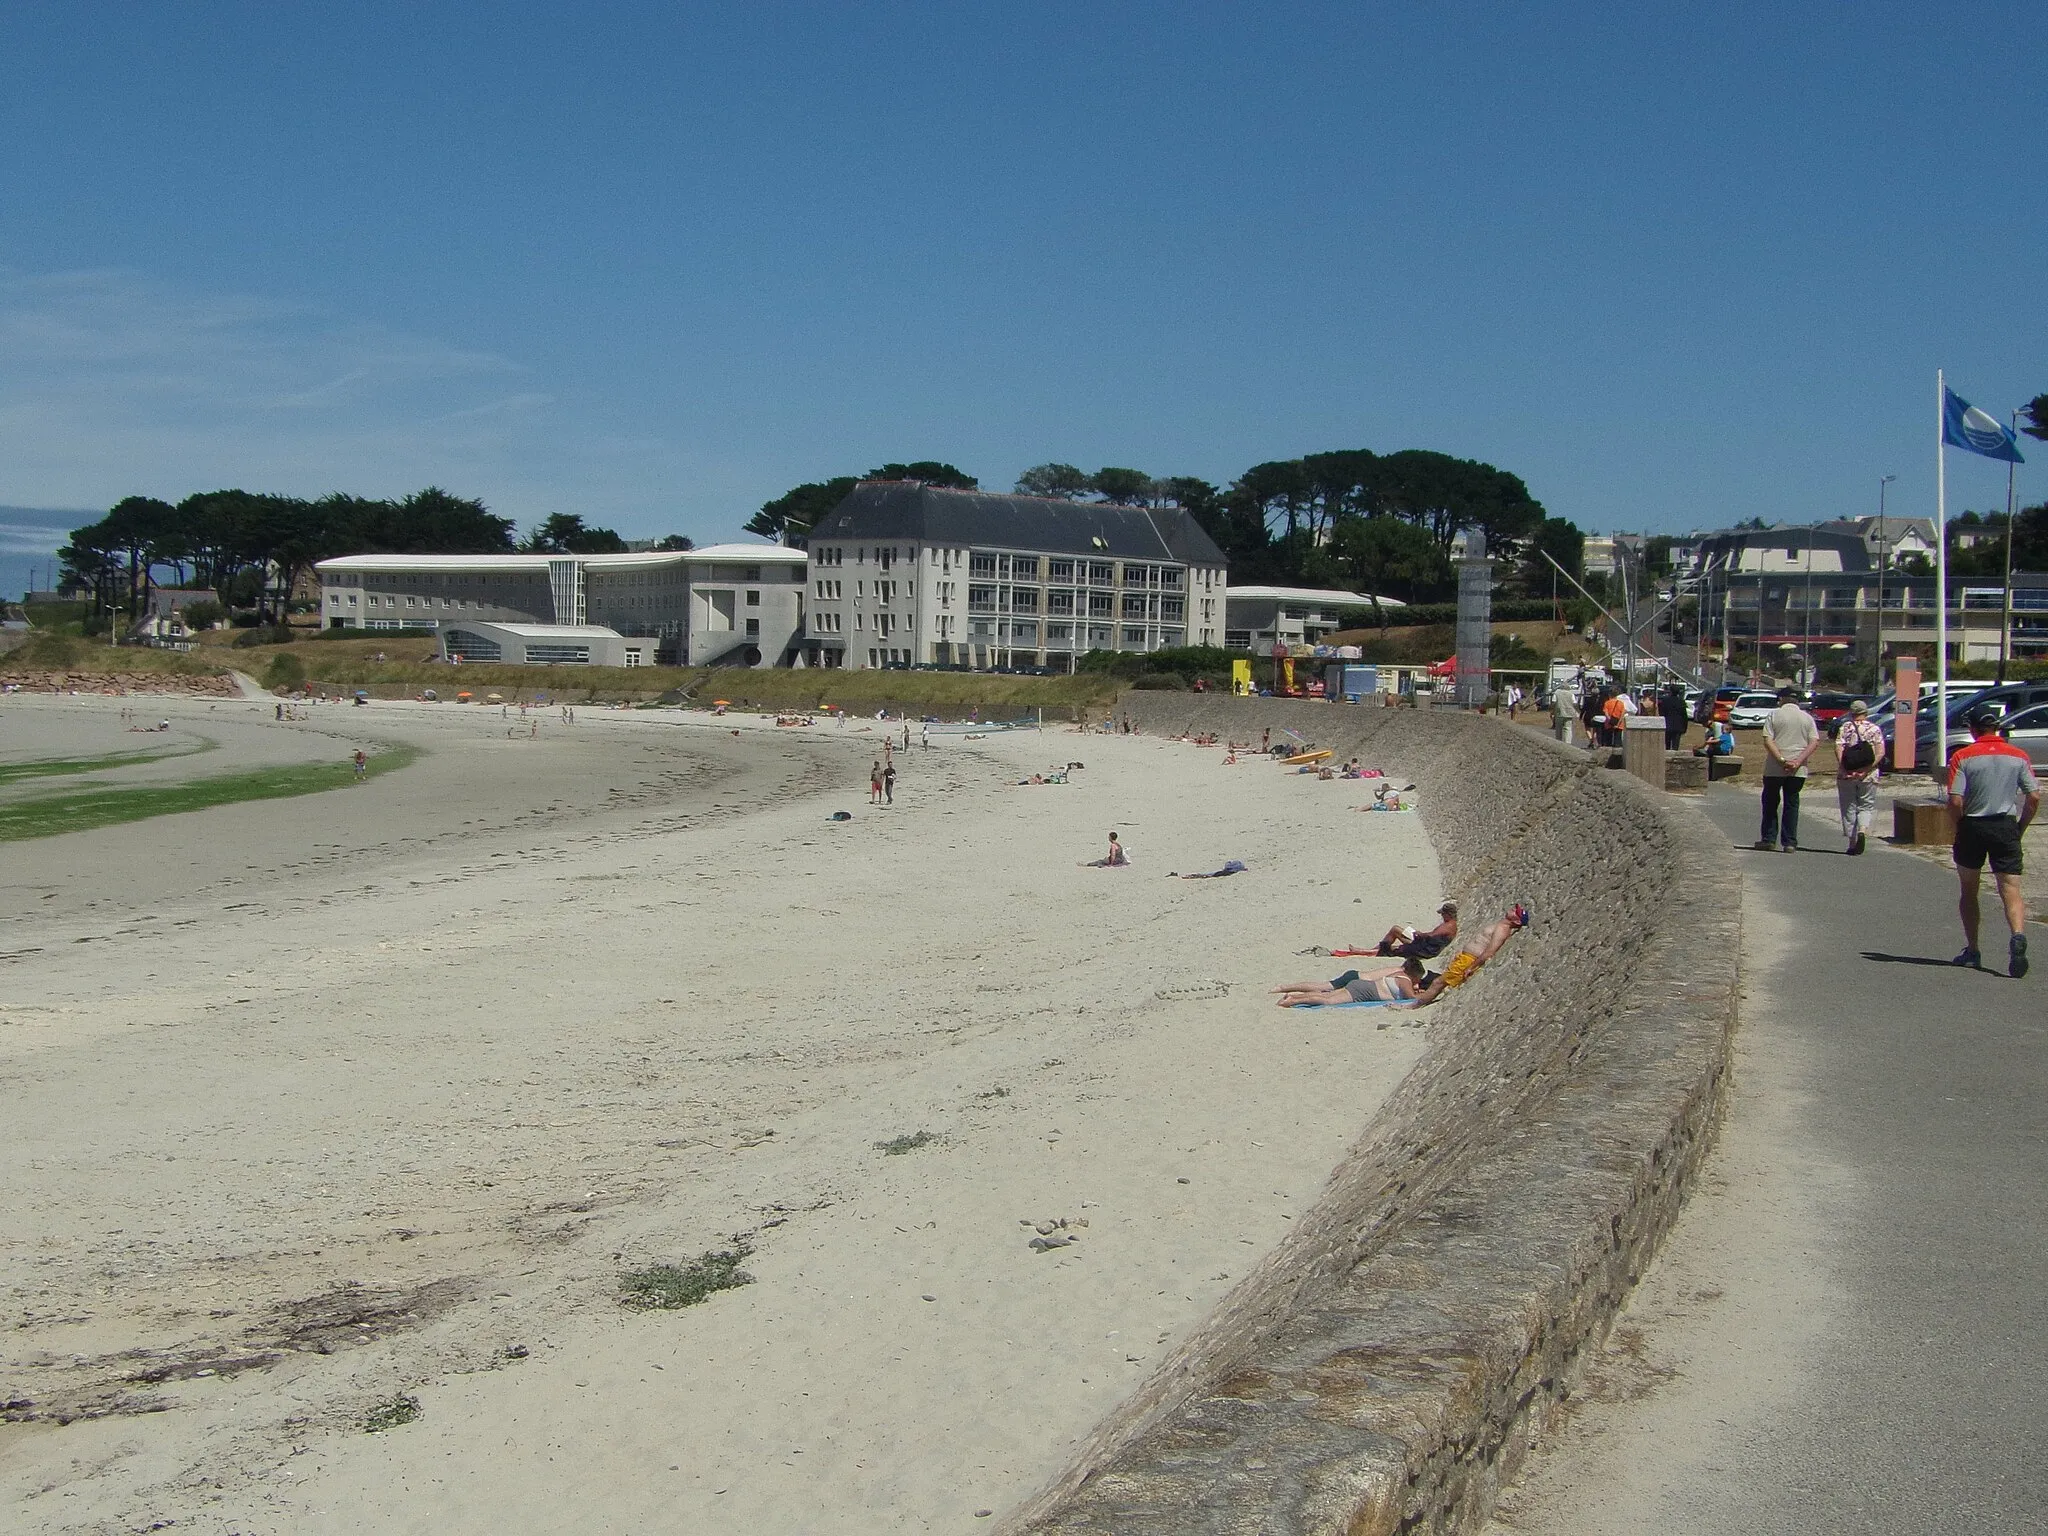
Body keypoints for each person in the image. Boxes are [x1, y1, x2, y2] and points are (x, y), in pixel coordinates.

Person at [1947, 707, 2040, 976]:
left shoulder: (1963, 756)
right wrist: (2020, 826)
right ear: (1997, 728)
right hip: (2005, 825)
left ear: (1973, 729)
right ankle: (2018, 934)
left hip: (1973, 825)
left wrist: (1958, 825)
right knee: (2010, 888)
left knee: (1969, 889)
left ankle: (1973, 949)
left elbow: (1955, 799)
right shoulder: (2018, 756)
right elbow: (2033, 796)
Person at [1400, 903, 1531, 1007]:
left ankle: (1415, 1004)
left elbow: (1490, 951)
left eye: (1516, 912)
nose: (1513, 909)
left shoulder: (1502, 930)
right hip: (1465, 958)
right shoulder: (1500, 926)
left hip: (1469, 960)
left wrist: (1472, 967)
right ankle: (1418, 1000)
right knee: (1440, 982)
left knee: (1438, 983)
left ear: (1517, 921)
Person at [1756, 687, 1819, 853]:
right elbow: (1814, 742)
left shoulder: (1774, 715)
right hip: (1798, 769)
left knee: (1770, 802)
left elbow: (1768, 740)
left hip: (1774, 767)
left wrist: (1781, 760)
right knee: (1791, 803)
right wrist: (1797, 761)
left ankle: (1769, 838)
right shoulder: (1807, 718)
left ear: (1781, 699)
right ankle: (1790, 841)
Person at [1834, 698, 1886, 856]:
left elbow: (1839, 748)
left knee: (1849, 806)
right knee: (1866, 806)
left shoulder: (1845, 727)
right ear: (1866, 712)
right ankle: (1863, 830)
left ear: (1851, 712)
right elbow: (1880, 752)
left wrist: (1844, 768)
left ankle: (1852, 841)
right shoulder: (1875, 729)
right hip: (1868, 775)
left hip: (1847, 773)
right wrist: (1867, 768)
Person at [1273, 956, 1430, 1007]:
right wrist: (1426, 993)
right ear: (1414, 974)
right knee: (1327, 1000)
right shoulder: (1405, 980)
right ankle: (1291, 1000)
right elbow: (1412, 999)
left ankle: (1292, 996)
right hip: (1362, 991)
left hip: (1360, 983)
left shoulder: (1398, 972)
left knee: (1326, 994)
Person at [1375, 901, 1459, 959]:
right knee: (1395, 929)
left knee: (1394, 946)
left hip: (1424, 950)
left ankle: (1376, 951)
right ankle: (1377, 949)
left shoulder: (1448, 926)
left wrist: (1420, 934)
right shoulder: (1452, 924)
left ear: (1448, 914)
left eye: (1443, 914)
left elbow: (1431, 935)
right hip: (1426, 947)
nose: (1442, 916)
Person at [1660, 685, 1688, 752]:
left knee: (1667, 745)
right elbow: (1684, 716)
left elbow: (1662, 713)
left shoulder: (1665, 700)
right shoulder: (1681, 701)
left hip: (1667, 725)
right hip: (1678, 726)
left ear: (1670, 691)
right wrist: (1685, 727)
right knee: (1675, 746)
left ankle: (1667, 758)